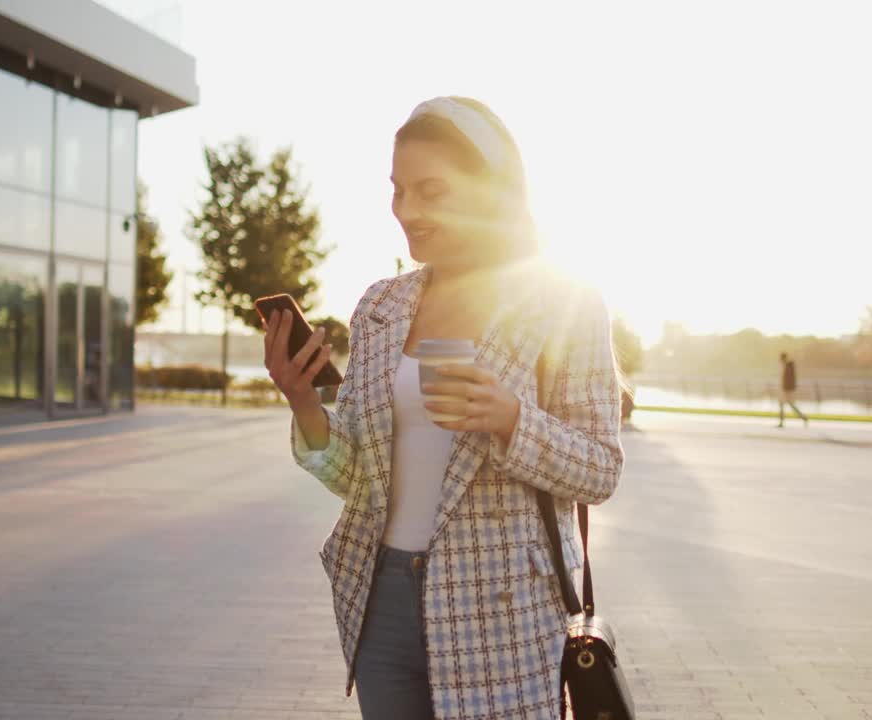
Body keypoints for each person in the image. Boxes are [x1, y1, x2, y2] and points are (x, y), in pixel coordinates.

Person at [263, 97, 625, 720]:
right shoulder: (381, 306)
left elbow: (599, 469)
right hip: (381, 603)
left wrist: (510, 417)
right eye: (399, 191)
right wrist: (304, 403)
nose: (408, 211)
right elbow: (357, 479)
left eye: (431, 190)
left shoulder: (563, 301)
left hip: (506, 613)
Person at [778, 352, 808, 428]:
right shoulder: (787, 365)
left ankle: (803, 417)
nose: (780, 361)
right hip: (787, 389)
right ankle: (803, 418)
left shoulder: (788, 366)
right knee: (785, 404)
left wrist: (786, 388)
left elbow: (789, 379)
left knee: (788, 405)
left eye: (781, 359)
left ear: (783, 358)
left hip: (787, 389)